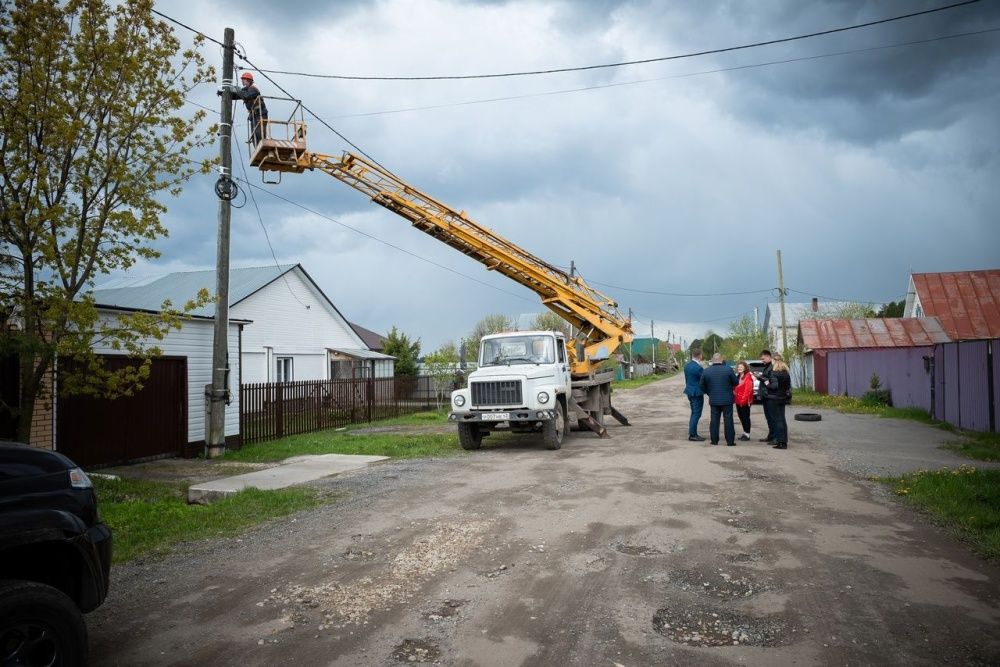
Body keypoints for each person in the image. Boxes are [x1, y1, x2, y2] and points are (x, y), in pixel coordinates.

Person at [699, 353, 739, 446]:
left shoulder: (706, 371)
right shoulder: (728, 369)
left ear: (712, 360)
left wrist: (709, 392)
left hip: (714, 399)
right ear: (722, 360)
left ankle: (714, 440)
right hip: (727, 399)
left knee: (714, 420)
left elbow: (701, 385)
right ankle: (730, 441)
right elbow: (736, 382)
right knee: (728, 419)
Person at [233, 72, 268, 145]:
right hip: (253, 116)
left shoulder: (253, 89)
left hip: (260, 114)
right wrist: (226, 92)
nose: (242, 81)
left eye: (243, 79)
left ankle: (265, 149)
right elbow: (237, 96)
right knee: (254, 136)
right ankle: (259, 150)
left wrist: (238, 91)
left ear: (248, 80)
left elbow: (246, 96)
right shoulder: (245, 90)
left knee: (259, 133)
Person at [766, 354, 792, 449]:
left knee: (778, 420)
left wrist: (766, 383)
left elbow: (774, 386)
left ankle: (781, 441)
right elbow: (788, 387)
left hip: (774, 398)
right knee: (782, 419)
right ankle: (784, 441)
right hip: (783, 398)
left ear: (774, 362)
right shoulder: (786, 373)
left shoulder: (773, 373)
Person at [683, 348, 706, 441]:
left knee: (693, 413)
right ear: (700, 356)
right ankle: (692, 434)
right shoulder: (698, 367)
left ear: (693, 355)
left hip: (689, 391)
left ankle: (692, 432)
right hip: (697, 393)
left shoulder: (687, 366)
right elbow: (703, 380)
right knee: (696, 414)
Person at [755, 349, 775, 443]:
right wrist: (760, 377)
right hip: (766, 395)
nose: (762, 361)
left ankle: (775, 437)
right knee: (768, 417)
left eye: (763, 359)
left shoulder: (772, 367)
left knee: (772, 417)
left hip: (770, 395)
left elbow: (770, 381)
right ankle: (771, 435)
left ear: (768, 356)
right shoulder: (767, 366)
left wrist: (760, 377)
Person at [733, 360, 755, 441]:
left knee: (746, 417)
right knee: (741, 417)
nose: (739, 368)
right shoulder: (738, 376)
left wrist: (743, 400)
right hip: (738, 401)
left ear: (745, 368)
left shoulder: (748, 376)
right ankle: (745, 432)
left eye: (741, 367)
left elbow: (748, 390)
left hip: (745, 401)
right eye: (738, 367)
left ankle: (747, 434)